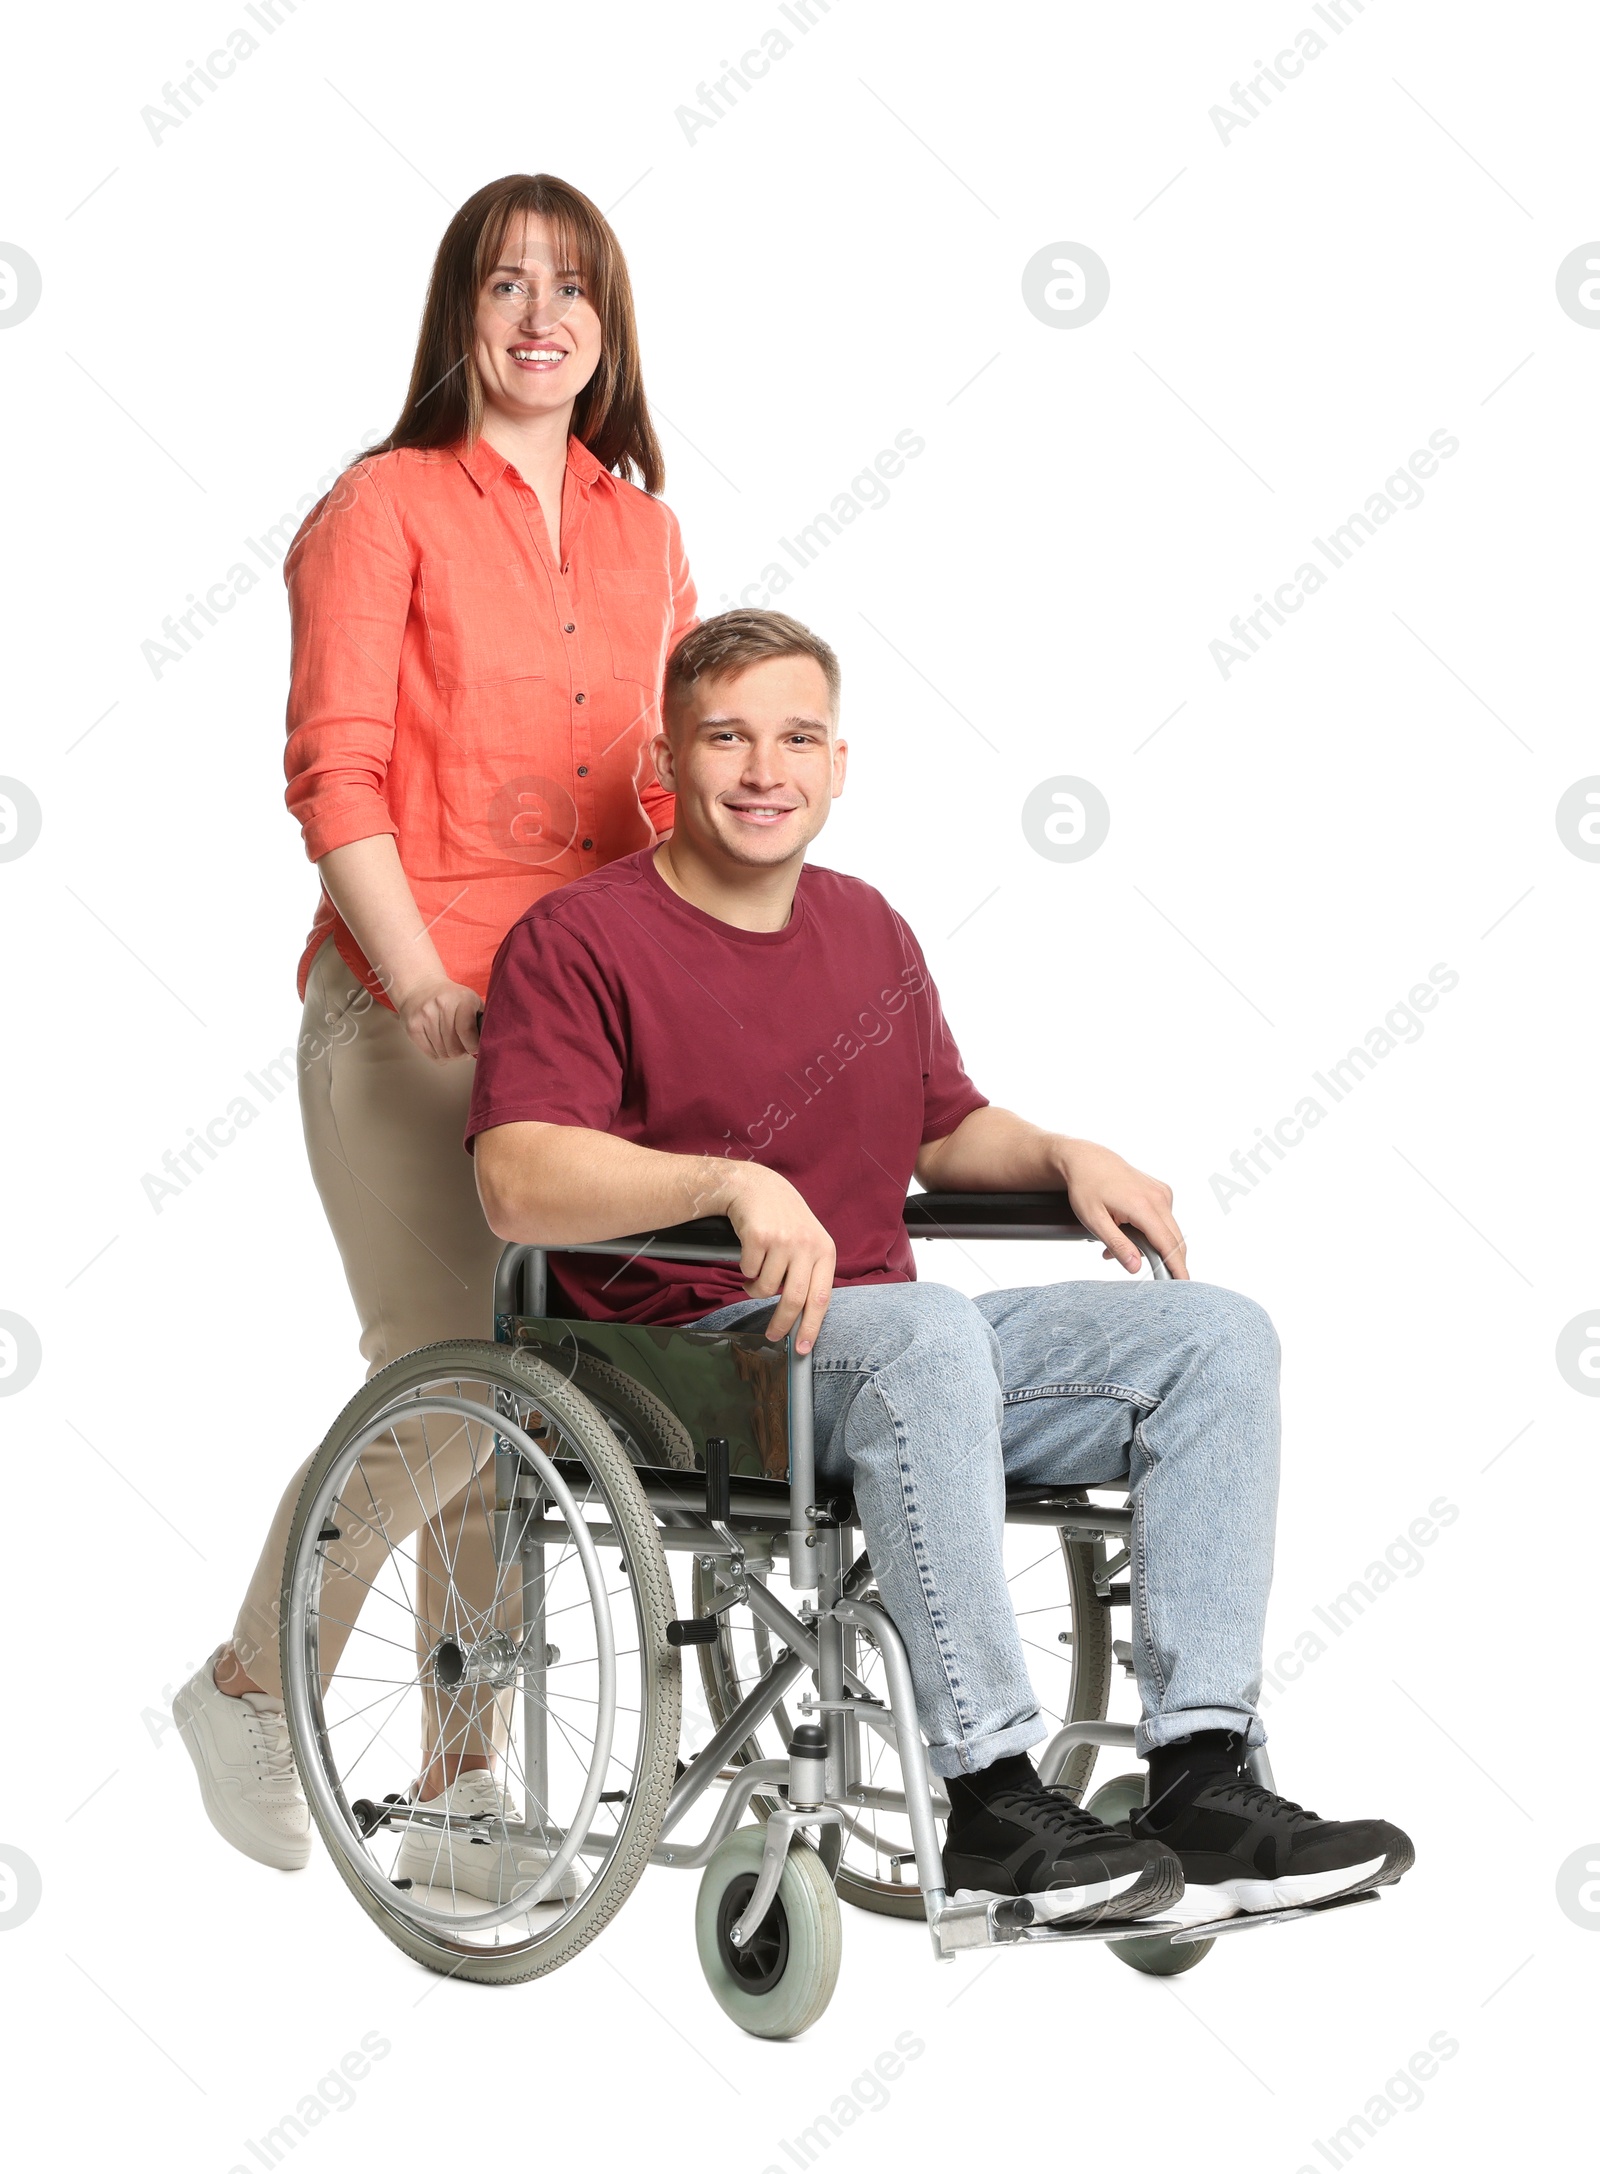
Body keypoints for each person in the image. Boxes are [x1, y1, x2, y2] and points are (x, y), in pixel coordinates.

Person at [464, 608, 1415, 1923]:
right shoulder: (582, 940)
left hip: (884, 1351)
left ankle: (1200, 1766)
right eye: (727, 736)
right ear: (667, 763)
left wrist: (1058, 1150)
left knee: (1216, 1335)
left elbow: (944, 1125)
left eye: (797, 737)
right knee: (923, 1330)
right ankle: (986, 1791)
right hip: (692, 1361)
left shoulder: (869, 932)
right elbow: (514, 1176)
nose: (763, 769)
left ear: (838, 764)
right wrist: (730, 1181)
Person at [173, 173, 698, 1890]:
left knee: (534, 1390)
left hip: (577, 1029)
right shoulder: (382, 506)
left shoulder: (647, 534)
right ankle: (254, 1682)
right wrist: (414, 976)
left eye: (572, 287)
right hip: (408, 1005)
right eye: (503, 285)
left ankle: (465, 1778)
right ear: (459, 318)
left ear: (608, 326)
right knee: (446, 1369)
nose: (539, 314)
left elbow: (653, 794)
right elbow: (337, 767)